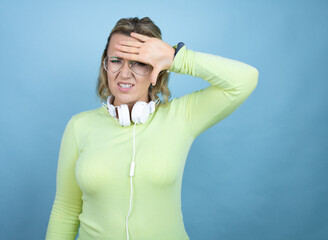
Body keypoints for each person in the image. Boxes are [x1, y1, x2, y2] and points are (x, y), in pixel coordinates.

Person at [45, 16, 259, 240]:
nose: (124, 73)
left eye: (138, 62)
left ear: (157, 69)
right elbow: (65, 210)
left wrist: (176, 57)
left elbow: (244, 80)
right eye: (116, 60)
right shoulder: (79, 126)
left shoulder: (182, 117)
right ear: (105, 65)